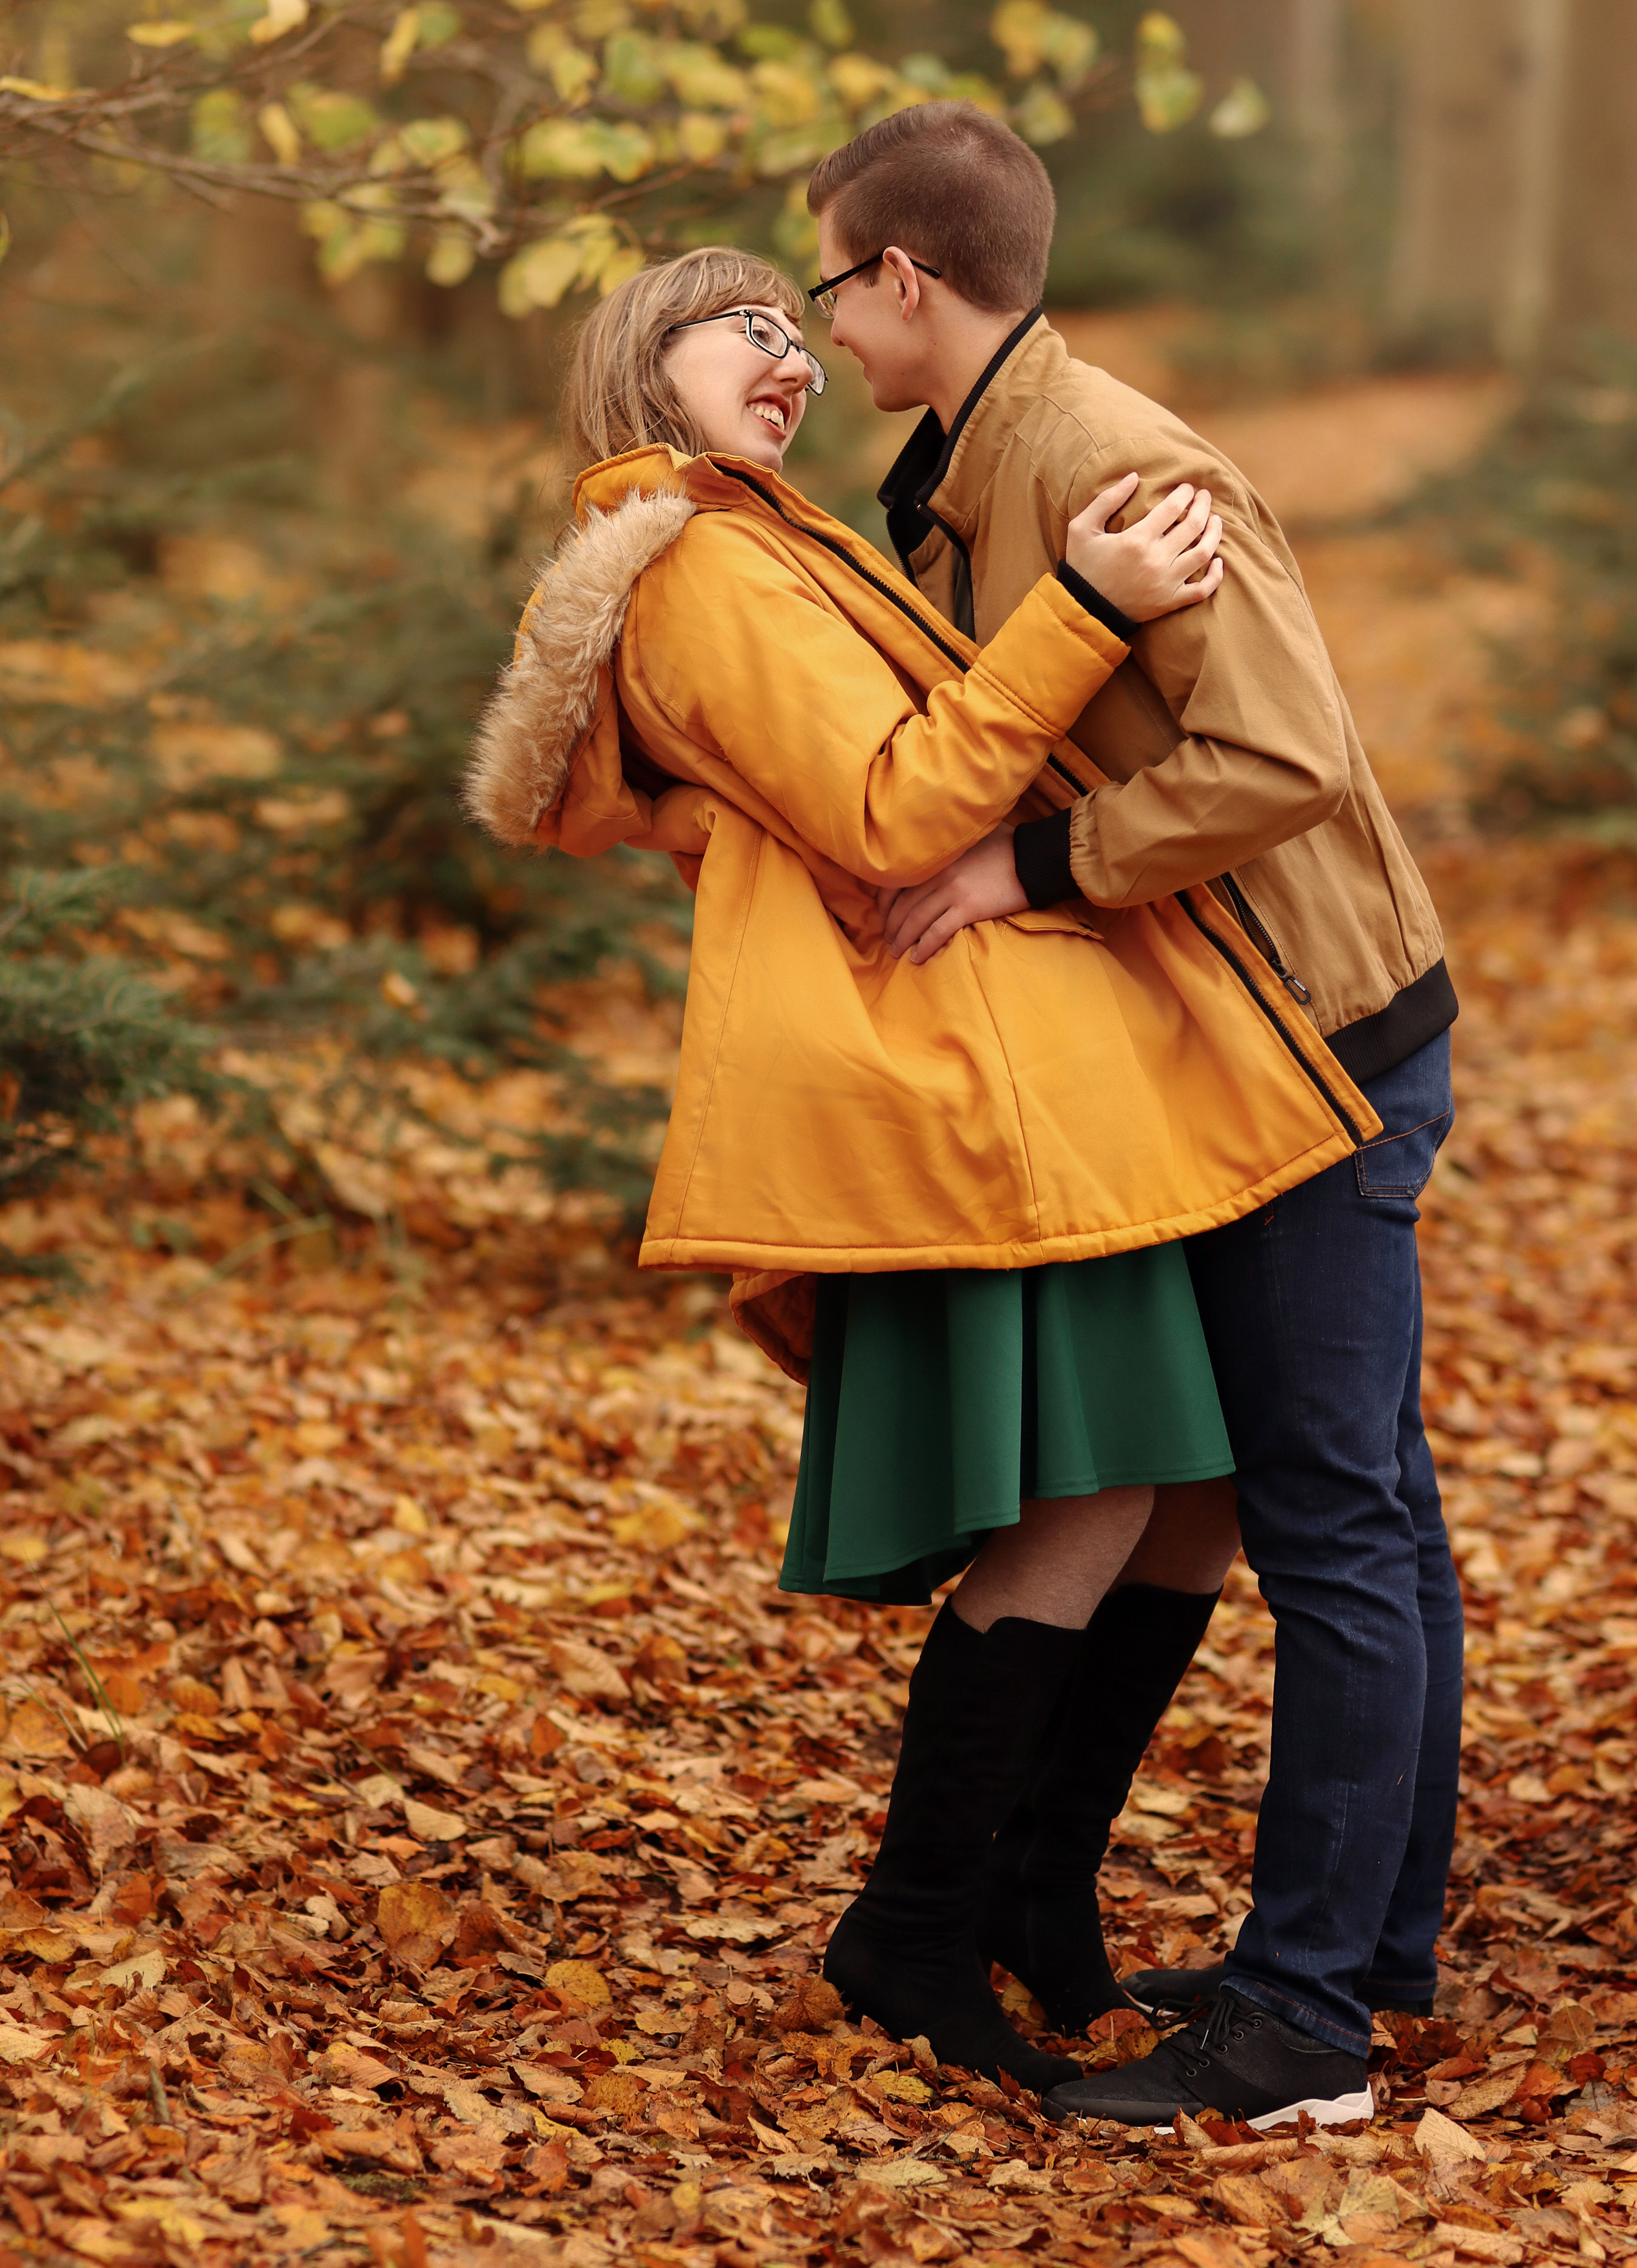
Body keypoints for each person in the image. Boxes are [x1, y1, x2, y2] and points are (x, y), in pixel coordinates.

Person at [465, 245, 1378, 2109]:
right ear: (648, 361)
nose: (784, 362)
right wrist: (1093, 606)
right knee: (1106, 1484)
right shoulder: (697, 562)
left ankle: (1030, 1893)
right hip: (962, 1087)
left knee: (1190, 1483)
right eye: (744, 331)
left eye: (795, 339)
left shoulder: (767, 533)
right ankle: (913, 1922)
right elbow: (894, 805)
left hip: (1033, 1069)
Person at [802, 102, 1464, 2132]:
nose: (825, 321)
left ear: (904, 278)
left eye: (829, 281)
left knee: (1331, 1511)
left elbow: (1283, 751)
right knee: (1366, 1506)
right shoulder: (979, 473)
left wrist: (1036, 870)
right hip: (1245, 1031)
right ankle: (1379, 1954)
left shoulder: (1103, 457)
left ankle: (1305, 2031)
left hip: (1320, 1035)